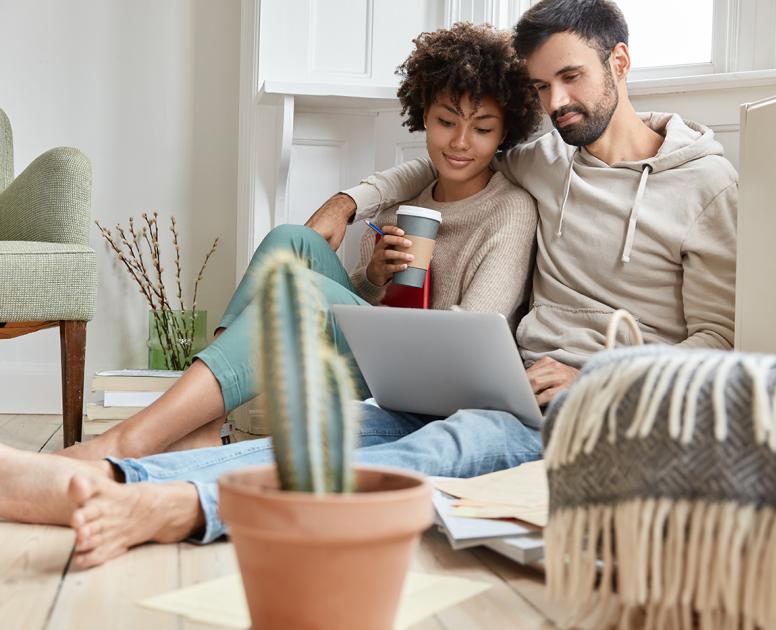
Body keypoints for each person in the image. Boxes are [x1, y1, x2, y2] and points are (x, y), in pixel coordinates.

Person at [0, 23, 546, 567]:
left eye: (481, 128)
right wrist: (375, 278)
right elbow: (355, 313)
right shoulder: (406, 200)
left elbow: (472, 342)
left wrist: (371, 301)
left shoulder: (511, 211)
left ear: (504, 133)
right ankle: (203, 425)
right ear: (422, 115)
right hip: (385, 373)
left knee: (301, 288)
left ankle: (126, 442)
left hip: (448, 388)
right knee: (293, 241)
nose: (459, 142)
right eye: (446, 121)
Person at [309, 0, 737, 406]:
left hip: (605, 397)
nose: (556, 103)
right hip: (516, 385)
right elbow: (453, 163)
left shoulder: (706, 184)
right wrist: (347, 202)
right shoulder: (547, 159)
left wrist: (595, 378)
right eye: (542, 87)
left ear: (619, 63)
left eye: (571, 77)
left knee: (414, 452)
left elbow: (718, 340)